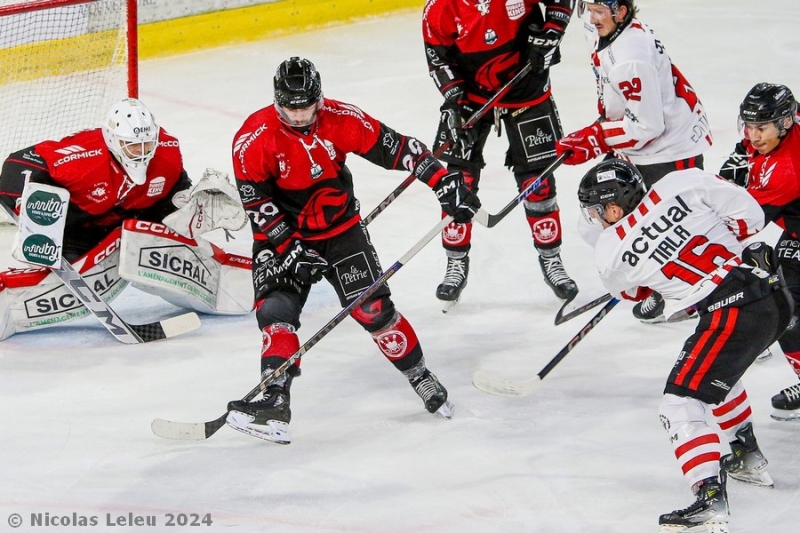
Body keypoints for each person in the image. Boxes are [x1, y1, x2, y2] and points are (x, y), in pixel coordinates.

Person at [226, 57, 481, 444]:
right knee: (275, 311)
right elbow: (255, 201)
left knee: (373, 310)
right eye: (290, 108)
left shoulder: (342, 119)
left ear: (319, 98)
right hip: (281, 235)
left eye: (306, 106)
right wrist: (288, 246)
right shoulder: (253, 138)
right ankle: (275, 400)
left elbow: (401, 148)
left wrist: (443, 182)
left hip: (341, 232)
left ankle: (420, 376)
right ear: (277, 102)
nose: (299, 116)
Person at [577, 159, 792, 532]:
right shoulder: (680, 182)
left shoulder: (610, 252)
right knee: (717, 376)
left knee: (679, 403)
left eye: (597, 210)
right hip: (773, 292)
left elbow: (634, 293)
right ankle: (745, 455)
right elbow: (749, 215)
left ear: (613, 207)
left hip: (732, 312)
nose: (596, 219)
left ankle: (709, 497)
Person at [0, 98, 251, 341]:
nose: (141, 152)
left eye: (147, 144)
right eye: (132, 145)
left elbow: (173, 190)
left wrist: (187, 203)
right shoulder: (82, 159)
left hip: (125, 221)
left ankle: (220, 285)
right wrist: (30, 206)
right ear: (113, 140)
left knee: (145, 241)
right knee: (71, 285)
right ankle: (11, 310)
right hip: (76, 228)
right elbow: (17, 165)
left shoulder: (167, 151)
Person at [557, 0, 713, 323]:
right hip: (642, 144)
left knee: (673, 231)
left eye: (600, 11)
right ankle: (655, 281)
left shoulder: (630, 55)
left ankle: (701, 298)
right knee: (594, 221)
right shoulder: (602, 28)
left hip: (670, 149)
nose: (592, 18)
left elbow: (647, 127)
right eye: (589, 9)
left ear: (621, 12)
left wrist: (597, 137)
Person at [422, 0, 578, 311]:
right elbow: (438, 61)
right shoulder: (439, 9)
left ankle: (551, 259)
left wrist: (552, 30)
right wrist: (453, 103)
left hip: (527, 87)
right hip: (470, 96)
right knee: (458, 182)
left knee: (537, 181)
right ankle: (455, 262)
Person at [719, 82, 800, 421]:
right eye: (748, 126)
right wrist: (736, 163)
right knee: (786, 304)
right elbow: (746, 151)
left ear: (784, 123)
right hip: (795, 228)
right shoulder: (782, 127)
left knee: (788, 309)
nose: (752, 135)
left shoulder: (787, 170)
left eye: (761, 128)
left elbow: (743, 222)